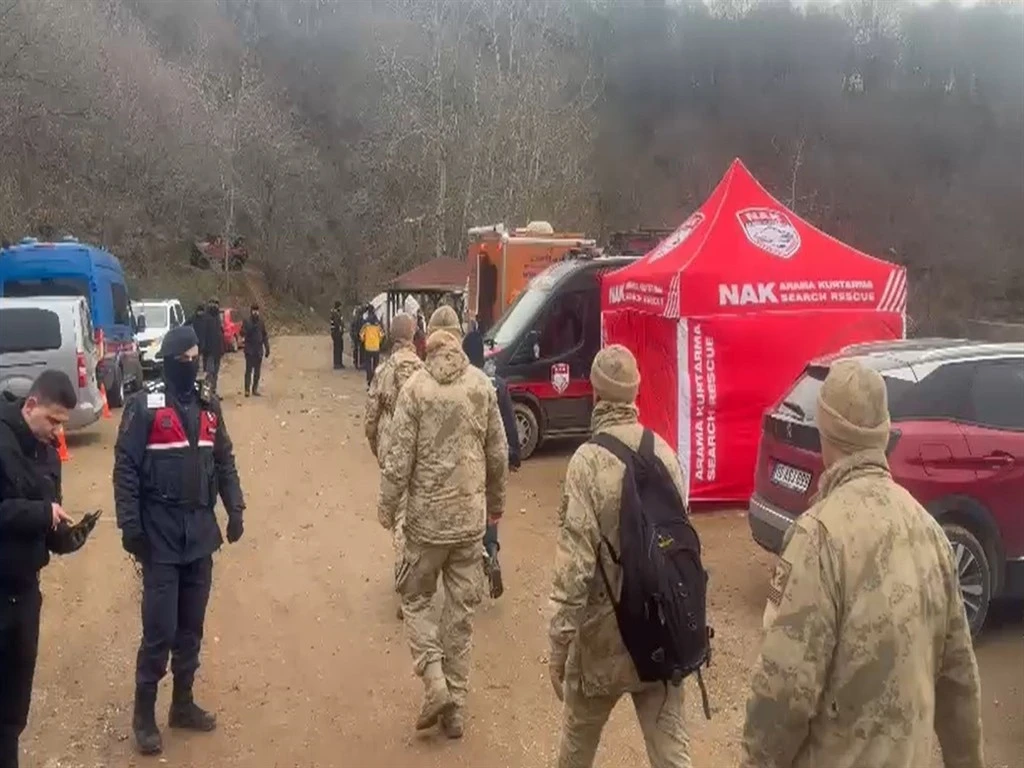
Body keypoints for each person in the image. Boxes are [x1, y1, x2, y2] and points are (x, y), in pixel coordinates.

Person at [741, 359, 984, 768]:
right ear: (884, 432)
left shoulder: (818, 536)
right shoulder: (929, 531)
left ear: (825, 431)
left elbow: (785, 686)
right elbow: (959, 677)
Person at [547, 345, 691, 768]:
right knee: (672, 754)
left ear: (595, 393)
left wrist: (559, 644)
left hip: (602, 639)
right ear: (635, 393)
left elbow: (574, 571)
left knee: (577, 747)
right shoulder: (666, 455)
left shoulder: (587, 463)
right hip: (661, 632)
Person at [114, 326, 246, 757]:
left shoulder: (209, 405)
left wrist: (235, 508)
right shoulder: (145, 406)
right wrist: (130, 526)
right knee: (160, 630)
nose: (193, 364)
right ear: (171, 361)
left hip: (200, 535)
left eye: (196, 357)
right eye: (186, 358)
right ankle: (143, 715)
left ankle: (183, 704)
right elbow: (125, 468)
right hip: (160, 536)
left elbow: (224, 461)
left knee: (191, 627)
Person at [377, 305, 508, 739]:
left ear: (429, 338)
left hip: (425, 524)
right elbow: (497, 454)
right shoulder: (481, 386)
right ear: (459, 336)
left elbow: (398, 458)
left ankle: (434, 681)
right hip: (469, 524)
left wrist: (386, 507)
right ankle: (455, 711)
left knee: (415, 600)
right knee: (460, 616)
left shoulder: (415, 389)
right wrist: (495, 505)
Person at [0, 372, 100, 768]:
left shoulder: (48, 454)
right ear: (30, 406)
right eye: (53, 421)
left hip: (25, 595)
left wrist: (65, 537)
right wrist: (40, 513)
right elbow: (33, 512)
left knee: (13, 712)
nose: (58, 432)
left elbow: (48, 519)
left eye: (63, 423)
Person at [364, 313, 424, 619]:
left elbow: (370, 418)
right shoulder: (424, 371)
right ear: (413, 336)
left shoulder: (383, 371)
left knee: (400, 521)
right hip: (422, 455)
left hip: (393, 452)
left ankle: (407, 588)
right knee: (417, 517)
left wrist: (378, 449)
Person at [462, 327, 520, 600]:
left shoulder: (461, 384)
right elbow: (509, 421)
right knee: (491, 509)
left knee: (469, 510)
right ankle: (491, 551)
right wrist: (514, 454)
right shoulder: (496, 383)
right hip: (492, 457)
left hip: (469, 461)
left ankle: (470, 563)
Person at [241, 303, 270, 397]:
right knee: (248, 371)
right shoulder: (247, 321)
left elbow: (264, 335)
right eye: (254, 310)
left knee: (257, 372)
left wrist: (267, 347)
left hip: (258, 350)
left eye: (257, 310)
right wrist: (247, 330)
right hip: (249, 350)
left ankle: (254, 389)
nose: (255, 312)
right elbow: (242, 332)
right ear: (251, 311)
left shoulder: (261, 322)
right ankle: (247, 390)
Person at [201, 299, 224, 394]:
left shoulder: (218, 318)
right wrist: (203, 350)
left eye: (217, 304)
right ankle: (205, 395)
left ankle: (213, 393)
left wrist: (222, 349)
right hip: (209, 352)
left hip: (217, 351)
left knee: (215, 374)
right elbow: (202, 335)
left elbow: (220, 334)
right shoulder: (205, 318)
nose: (215, 306)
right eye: (213, 303)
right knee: (209, 374)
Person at [359, 309, 384, 388]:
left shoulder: (366, 325)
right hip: (376, 347)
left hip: (368, 347)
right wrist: (379, 341)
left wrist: (364, 341)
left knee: (368, 364)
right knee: (376, 364)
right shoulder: (378, 325)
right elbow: (382, 335)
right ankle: (375, 379)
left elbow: (361, 335)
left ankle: (369, 379)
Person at [329, 301, 345, 370]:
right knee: (337, 348)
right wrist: (341, 328)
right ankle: (337, 363)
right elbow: (337, 323)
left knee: (339, 348)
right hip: (336, 332)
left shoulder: (337, 313)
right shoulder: (335, 314)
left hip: (337, 332)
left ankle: (339, 362)